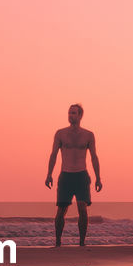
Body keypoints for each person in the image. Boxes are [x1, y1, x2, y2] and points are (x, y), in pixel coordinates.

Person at [44, 103, 102, 247]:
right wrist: (49, 174)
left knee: (82, 208)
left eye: (74, 113)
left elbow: (94, 157)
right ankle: (58, 242)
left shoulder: (88, 135)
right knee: (61, 210)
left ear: (80, 115)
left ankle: (82, 243)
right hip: (66, 175)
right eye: (69, 113)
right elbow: (53, 155)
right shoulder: (60, 133)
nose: (71, 116)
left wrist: (98, 178)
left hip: (81, 175)